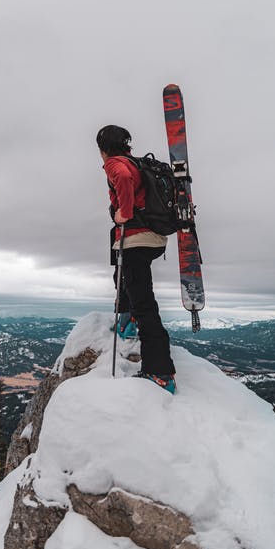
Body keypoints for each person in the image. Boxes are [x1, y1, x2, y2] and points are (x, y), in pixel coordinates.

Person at [96, 124, 176, 394]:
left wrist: (123, 213)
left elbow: (121, 180)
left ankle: (160, 371)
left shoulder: (116, 164)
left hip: (136, 239)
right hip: (151, 238)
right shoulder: (137, 163)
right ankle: (127, 320)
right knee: (125, 279)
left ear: (103, 148)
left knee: (144, 303)